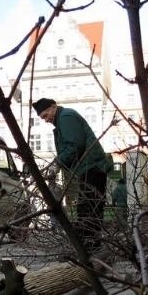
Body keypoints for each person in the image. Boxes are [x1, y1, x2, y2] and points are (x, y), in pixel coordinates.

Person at [32, 98, 112, 253]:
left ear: (54, 107)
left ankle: (91, 248)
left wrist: (57, 164)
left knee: (88, 208)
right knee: (87, 208)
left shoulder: (66, 117)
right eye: (42, 117)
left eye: (45, 114)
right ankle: (88, 246)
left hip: (92, 166)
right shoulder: (62, 119)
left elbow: (75, 145)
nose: (45, 119)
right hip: (89, 167)